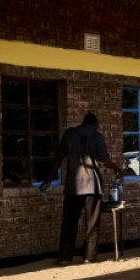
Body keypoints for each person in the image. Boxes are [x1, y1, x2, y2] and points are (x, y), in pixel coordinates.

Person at [40, 111, 124, 265]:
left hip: (73, 186)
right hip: (93, 186)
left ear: (83, 122)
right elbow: (104, 160)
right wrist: (117, 168)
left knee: (69, 222)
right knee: (92, 223)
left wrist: (49, 179)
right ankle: (89, 257)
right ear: (95, 124)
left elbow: (59, 157)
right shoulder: (97, 136)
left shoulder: (70, 134)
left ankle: (65, 258)